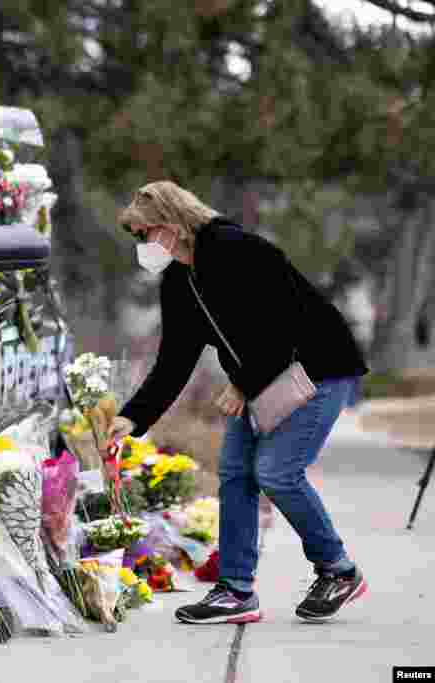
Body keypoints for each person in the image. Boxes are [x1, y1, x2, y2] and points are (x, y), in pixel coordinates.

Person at [109, 181, 369, 625]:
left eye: (143, 234)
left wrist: (243, 384)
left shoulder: (237, 248)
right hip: (265, 380)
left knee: (276, 471)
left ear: (171, 225)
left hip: (319, 368)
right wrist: (132, 417)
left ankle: (338, 570)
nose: (141, 246)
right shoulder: (178, 280)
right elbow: (173, 362)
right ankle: (235, 591)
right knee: (235, 473)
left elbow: (286, 321)